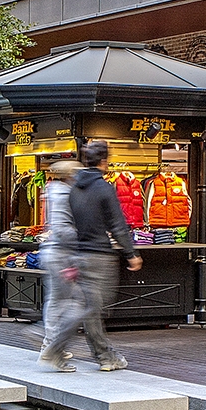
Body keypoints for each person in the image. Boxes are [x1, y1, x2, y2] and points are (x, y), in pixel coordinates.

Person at [43, 139, 142, 372]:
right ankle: (60, 349)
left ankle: (103, 356)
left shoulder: (74, 188)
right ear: (105, 161)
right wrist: (131, 253)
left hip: (80, 254)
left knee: (88, 307)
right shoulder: (104, 188)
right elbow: (117, 225)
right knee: (91, 308)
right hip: (100, 256)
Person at [39, 159, 83, 364]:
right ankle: (51, 345)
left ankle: (52, 343)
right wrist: (83, 237)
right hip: (61, 255)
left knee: (58, 300)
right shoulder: (65, 195)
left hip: (55, 253)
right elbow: (64, 229)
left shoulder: (54, 192)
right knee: (68, 302)